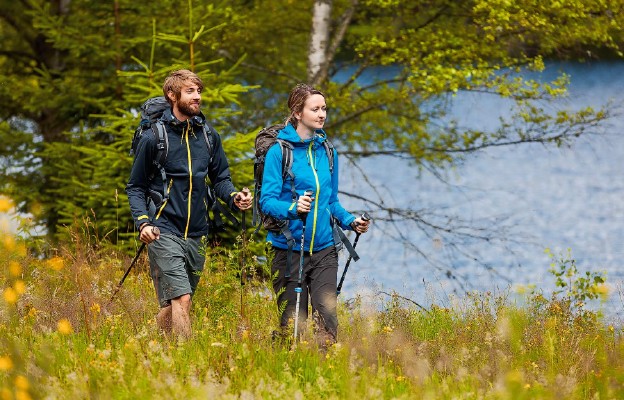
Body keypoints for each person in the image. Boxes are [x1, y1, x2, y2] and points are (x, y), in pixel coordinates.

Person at [126, 69, 252, 340]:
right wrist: (143, 222)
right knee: (182, 298)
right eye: (191, 92)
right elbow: (135, 187)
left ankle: (155, 345)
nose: (198, 97)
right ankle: (186, 360)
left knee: (173, 305)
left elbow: (221, 178)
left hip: (197, 232)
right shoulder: (154, 138)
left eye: (199, 91)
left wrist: (233, 197)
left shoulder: (207, 136)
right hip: (162, 229)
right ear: (172, 95)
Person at [259, 83, 370, 346]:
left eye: (324, 109)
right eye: (315, 109)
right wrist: (292, 209)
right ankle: (285, 373)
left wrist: (350, 221)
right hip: (288, 251)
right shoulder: (279, 152)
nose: (322, 114)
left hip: (324, 250)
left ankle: (325, 374)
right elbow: (266, 202)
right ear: (298, 112)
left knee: (328, 322)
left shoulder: (328, 152)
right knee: (292, 326)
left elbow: (331, 201)